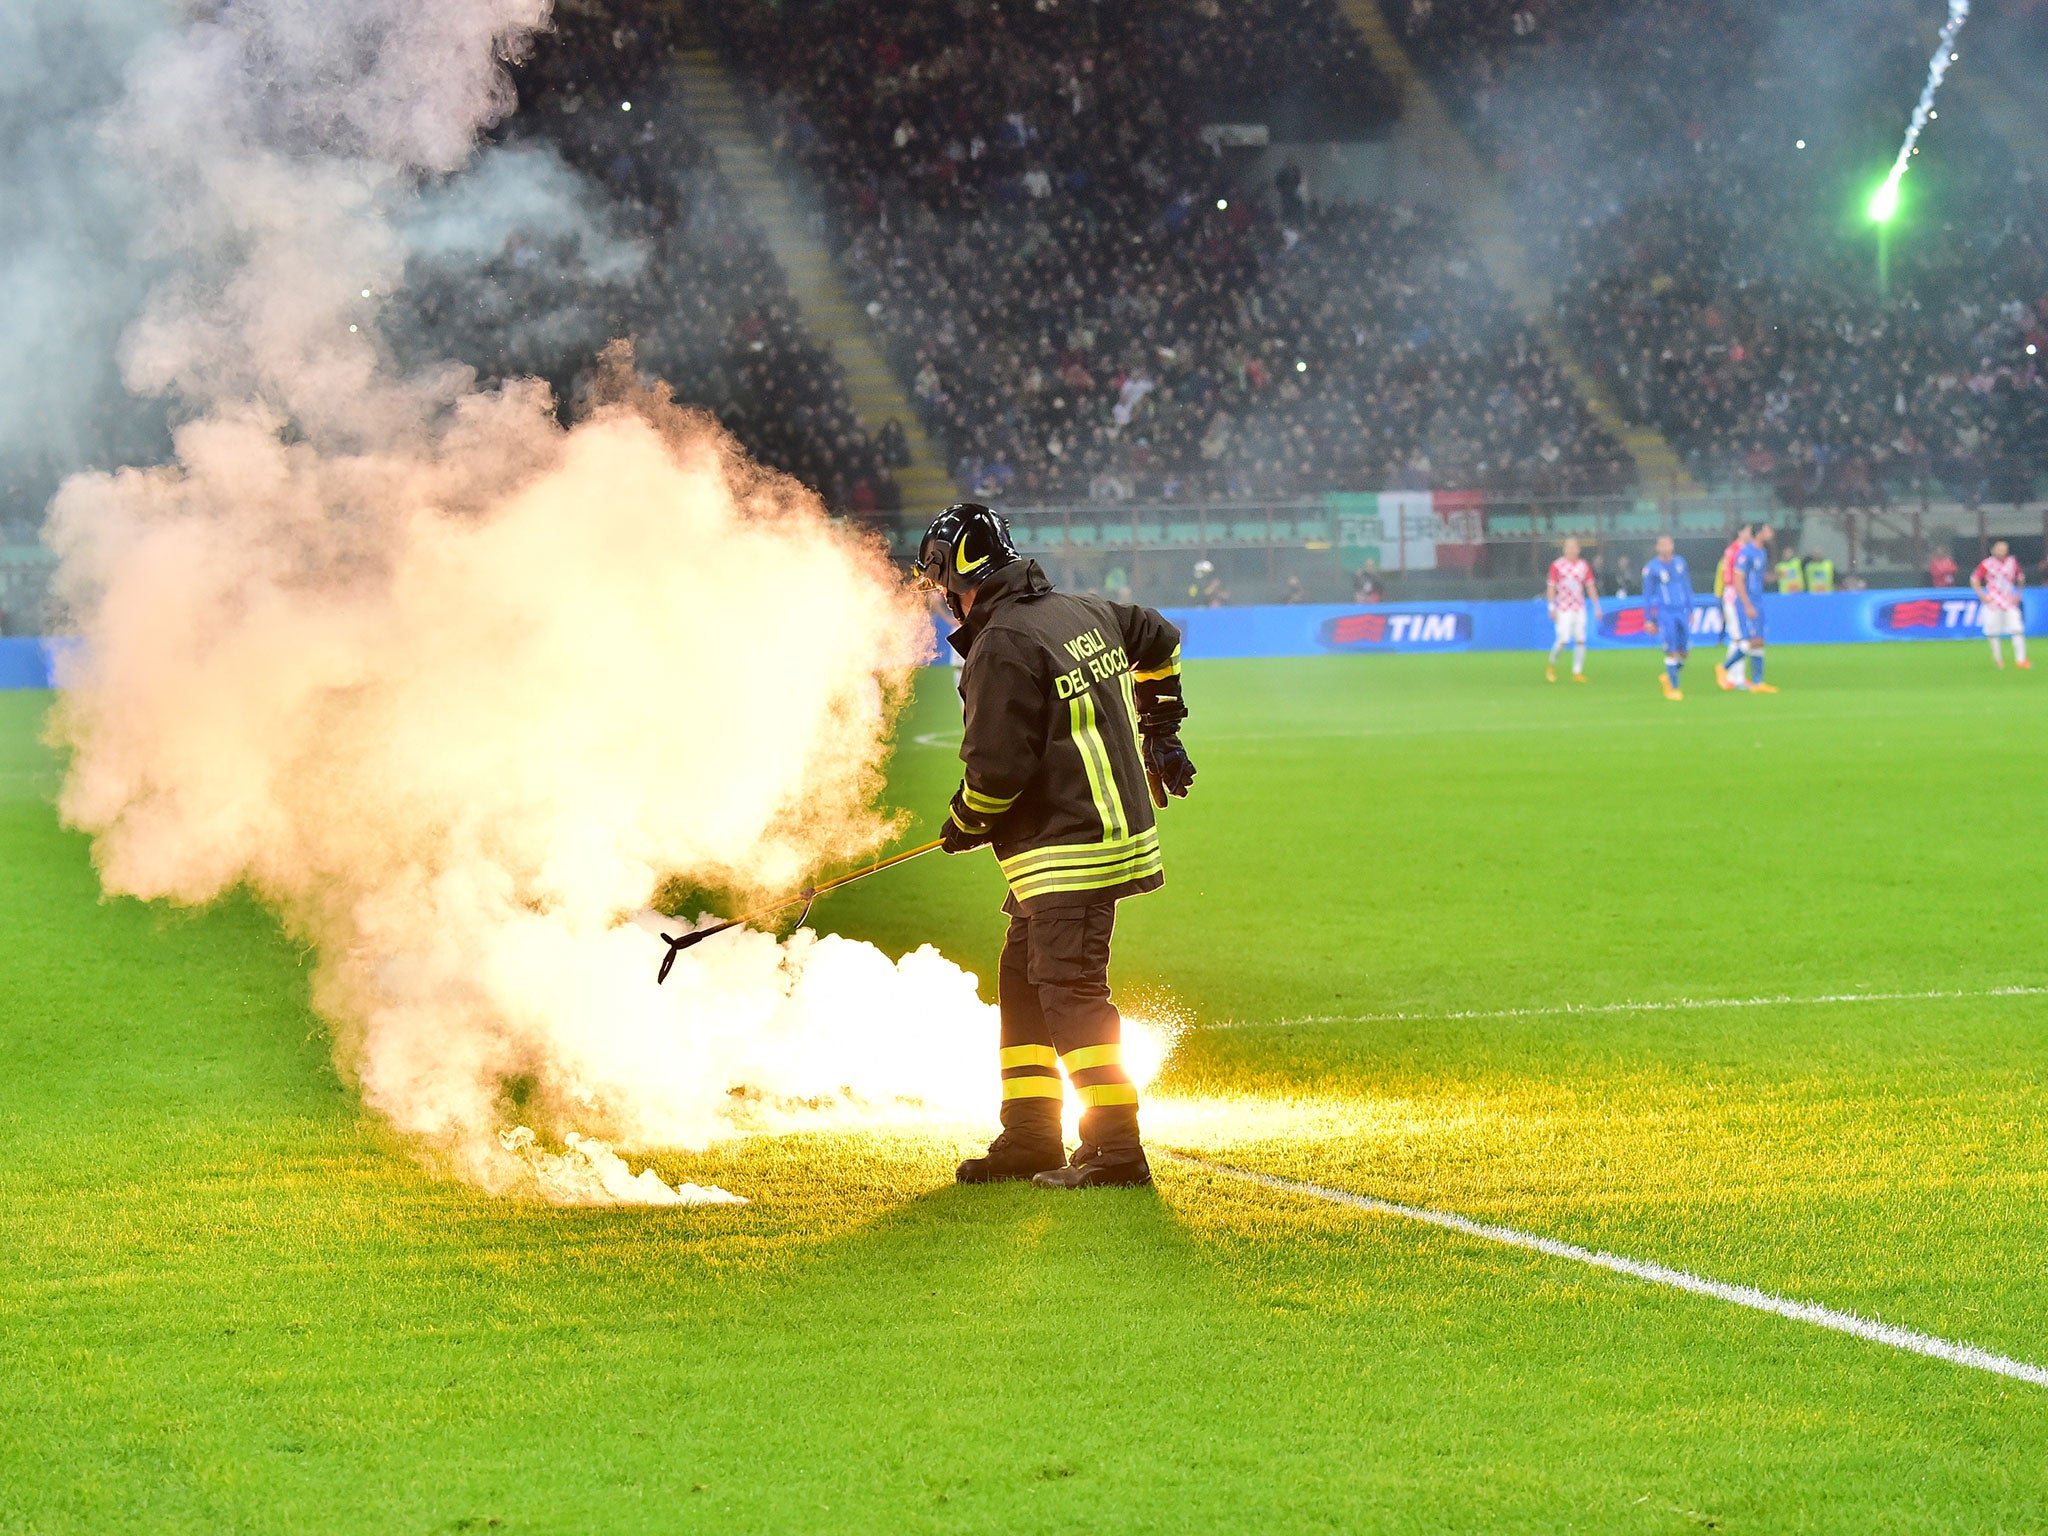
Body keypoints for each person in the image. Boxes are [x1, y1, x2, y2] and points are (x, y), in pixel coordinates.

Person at [914, 503, 1197, 1190]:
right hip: (1094, 837)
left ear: (959, 576)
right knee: (1025, 978)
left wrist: (964, 821)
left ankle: (1116, 1151)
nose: (942, 599)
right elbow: (1161, 641)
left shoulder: (1002, 645)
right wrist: (1160, 726)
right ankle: (1033, 1135)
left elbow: (995, 773)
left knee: (1069, 990)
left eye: (940, 584)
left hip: (1069, 848)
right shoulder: (1081, 610)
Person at [1715, 523, 1778, 694]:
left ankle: (1758, 682)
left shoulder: (1761, 552)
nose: (1771, 533)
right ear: (1758, 533)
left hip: (1757, 600)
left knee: (1759, 642)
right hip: (1746, 601)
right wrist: (1747, 604)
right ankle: (1723, 667)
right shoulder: (1745, 552)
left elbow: (1759, 577)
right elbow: (1738, 581)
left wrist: (1775, 576)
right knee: (1749, 641)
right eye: (1767, 530)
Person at [1641, 534, 1694, 701]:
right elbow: (1648, 595)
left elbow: (1687, 586)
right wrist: (1649, 618)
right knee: (1671, 649)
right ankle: (1674, 687)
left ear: (1672, 545)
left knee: (1684, 651)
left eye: (1668, 544)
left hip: (1681, 611)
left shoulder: (1680, 563)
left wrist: (1691, 609)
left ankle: (1669, 676)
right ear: (1657, 548)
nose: (1665, 547)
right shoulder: (1652, 568)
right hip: (1665, 612)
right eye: (1661, 545)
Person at [1545, 536, 1600, 683]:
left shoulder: (1584, 566)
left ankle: (1577, 672)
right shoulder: (1557, 565)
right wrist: (1551, 607)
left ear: (1578, 549)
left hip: (1579, 607)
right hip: (1563, 607)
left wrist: (1596, 606)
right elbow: (1551, 587)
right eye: (1568, 547)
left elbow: (1590, 586)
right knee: (1563, 640)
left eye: (1573, 547)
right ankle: (1552, 664)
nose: (1571, 550)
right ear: (1564, 549)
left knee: (1581, 640)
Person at [1971, 539, 2029, 670]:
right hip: (1993, 602)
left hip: (2009, 601)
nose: (2001, 552)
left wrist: (2018, 594)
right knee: (1993, 632)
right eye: (1999, 549)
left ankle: (2021, 660)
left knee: (2017, 629)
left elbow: (2020, 578)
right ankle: (1998, 659)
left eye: (2003, 550)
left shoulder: (2012, 562)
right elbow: (1975, 580)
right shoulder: (1987, 564)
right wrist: (1983, 596)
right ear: (1993, 551)